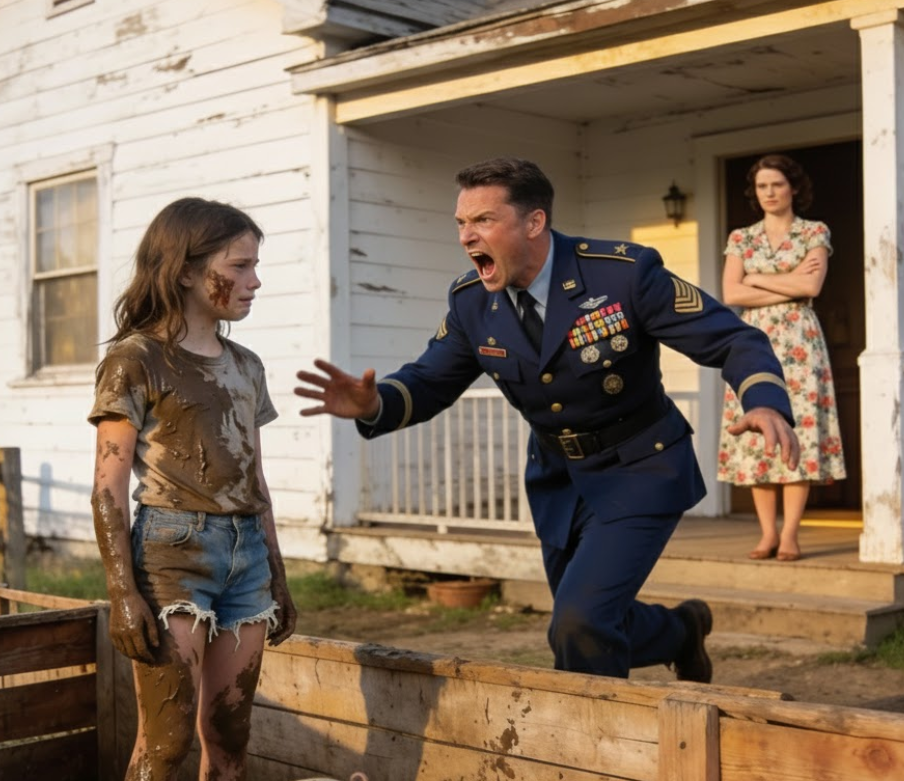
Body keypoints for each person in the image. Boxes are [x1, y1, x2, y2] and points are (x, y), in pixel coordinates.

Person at [295, 157, 799, 681]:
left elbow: (733, 338)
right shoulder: (472, 302)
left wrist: (761, 400)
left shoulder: (623, 274)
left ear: (533, 223)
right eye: (461, 224)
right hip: (559, 481)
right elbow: (429, 380)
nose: (467, 237)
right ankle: (680, 631)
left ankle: (597, 750)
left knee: (577, 624)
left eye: (483, 220)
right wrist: (374, 404)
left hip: (641, 468)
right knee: (590, 621)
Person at [88, 197, 297, 781]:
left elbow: (257, 478)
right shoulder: (137, 358)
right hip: (171, 553)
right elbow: (109, 484)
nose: (253, 281)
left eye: (254, 266)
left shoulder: (246, 366)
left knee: (230, 731)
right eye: (239, 266)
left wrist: (278, 571)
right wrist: (122, 588)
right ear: (185, 270)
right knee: (168, 737)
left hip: (244, 555)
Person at [717, 154, 847, 562]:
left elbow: (813, 286)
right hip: (752, 340)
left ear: (793, 187)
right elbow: (732, 294)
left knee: (799, 433)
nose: (770, 192)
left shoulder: (813, 232)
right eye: (762, 186)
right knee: (758, 435)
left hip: (800, 343)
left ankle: (790, 534)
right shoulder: (742, 238)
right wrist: (785, 284)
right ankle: (766, 533)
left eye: (777, 184)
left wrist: (756, 278)